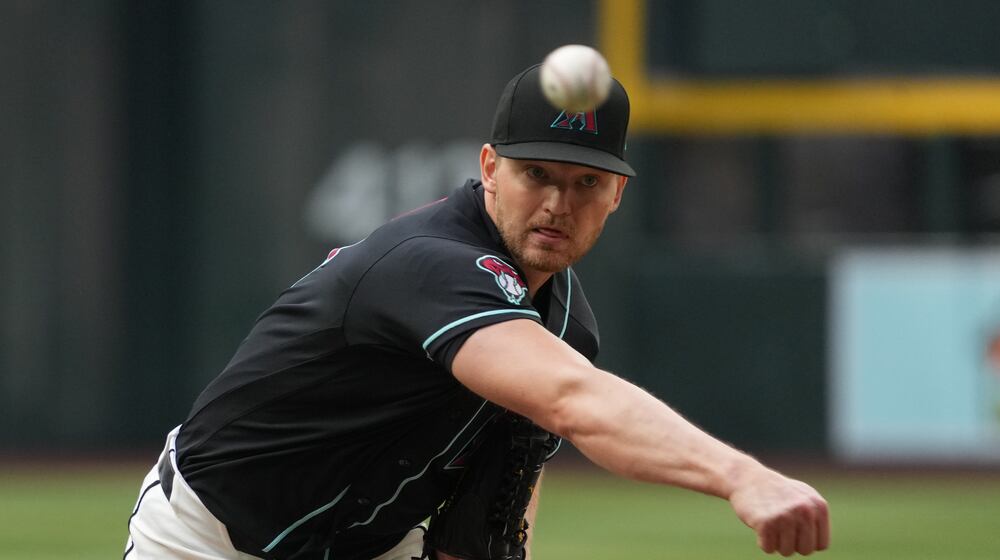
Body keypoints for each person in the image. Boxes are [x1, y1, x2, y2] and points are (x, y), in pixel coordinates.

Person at [124, 63, 830, 560]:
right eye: (537, 175)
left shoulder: (563, 327)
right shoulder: (429, 264)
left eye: (588, 183)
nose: (558, 204)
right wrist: (743, 476)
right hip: (208, 541)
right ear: (490, 168)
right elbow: (572, 401)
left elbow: (483, 526)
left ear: (618, 195)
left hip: (371, 547)